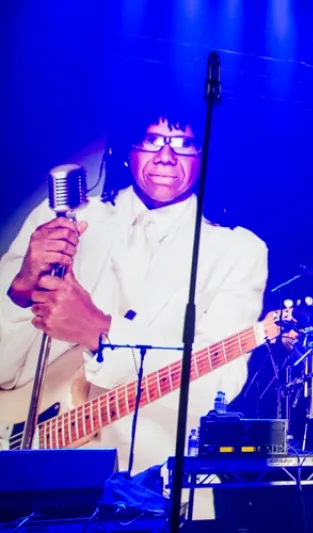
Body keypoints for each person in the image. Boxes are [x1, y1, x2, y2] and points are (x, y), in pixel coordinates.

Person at [0, 98, 268, 517]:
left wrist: (101, 333)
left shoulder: (236, 251)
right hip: (27, 482)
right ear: (129, 148)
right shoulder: (61, 220)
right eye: (152, 139)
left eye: (183, 143)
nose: (166, 155)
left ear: (203, 157)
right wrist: (20, 290)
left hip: (156, 497)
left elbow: (217, 388)